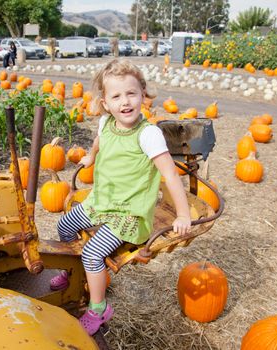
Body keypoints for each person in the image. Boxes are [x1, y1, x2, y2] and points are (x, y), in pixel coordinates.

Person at [50, 59, 192, 335]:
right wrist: (91, 155)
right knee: (64, 225)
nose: (125, 101)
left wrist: (184, 214)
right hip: (102, 200)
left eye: (131, 93)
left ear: (143, 94)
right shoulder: (106, 123)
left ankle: (99, 309)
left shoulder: (148, 135)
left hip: (129, 213)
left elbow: (171, 176)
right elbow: (99, 141)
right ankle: (73, 274)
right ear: (105, 102)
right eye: (116, 96)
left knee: (92, 253)